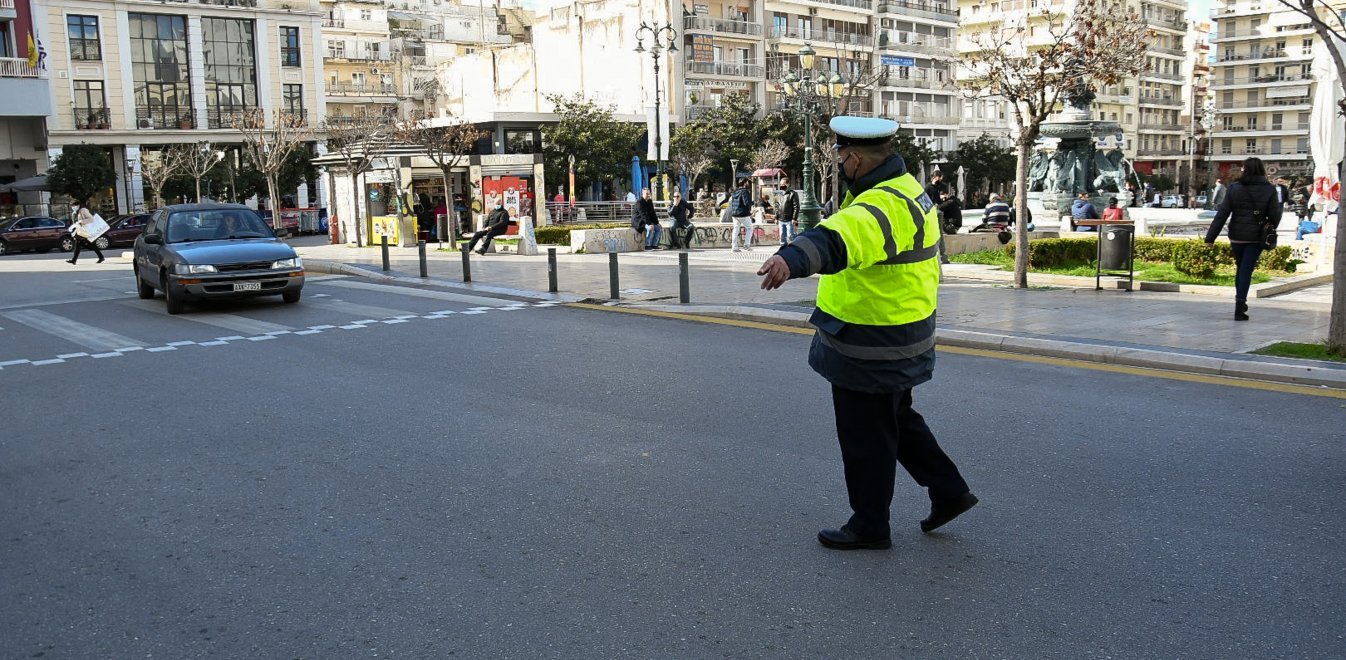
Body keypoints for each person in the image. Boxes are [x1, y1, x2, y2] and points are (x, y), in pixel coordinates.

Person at [756, 116, 977, 551]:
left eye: (840, 158)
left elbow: (836, 239)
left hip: (870, 341)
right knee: (897, 421)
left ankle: (870, 524)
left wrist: (791, 258)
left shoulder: (875, 206)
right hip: (906, 330)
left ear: (854, 159)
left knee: (866, 438)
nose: (838, 164)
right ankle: (950, 492)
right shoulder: (911, 190)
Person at [1205, 157, 1282, 321]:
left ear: (1245, 170)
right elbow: (1275, 215)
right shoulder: (1269, 189)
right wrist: (1269, 226)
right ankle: (1240, 305)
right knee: (1246, 270)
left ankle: (1240, 302)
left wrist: (1210, 238)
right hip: (1256, 237)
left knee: (1241, 269)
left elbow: (1222, 214)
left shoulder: (1235, 188)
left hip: (1237, 236)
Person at [729, 177, 754, 252]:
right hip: (743, 214)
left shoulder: (735, 192)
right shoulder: (744, 191)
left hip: (735, 214)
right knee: (749, 228)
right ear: (745, 183)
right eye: (747, 182)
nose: (748, 184)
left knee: (736, 229)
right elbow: (746, 203)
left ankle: (734, 247)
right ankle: (746, 245)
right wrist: (751, 205)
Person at [778, 180, 800, 246]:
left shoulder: (793, 194)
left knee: (791, 235)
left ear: (787, 184)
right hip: (781, 219)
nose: (781, 186)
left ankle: (798, 246)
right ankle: (783, 249)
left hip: (789, 219)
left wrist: (794, 218)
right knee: (782, 236)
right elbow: (779, 207)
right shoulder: (781, 194)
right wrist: (777, 217)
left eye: (783, 184)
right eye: (780, 184)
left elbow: (796, 207)